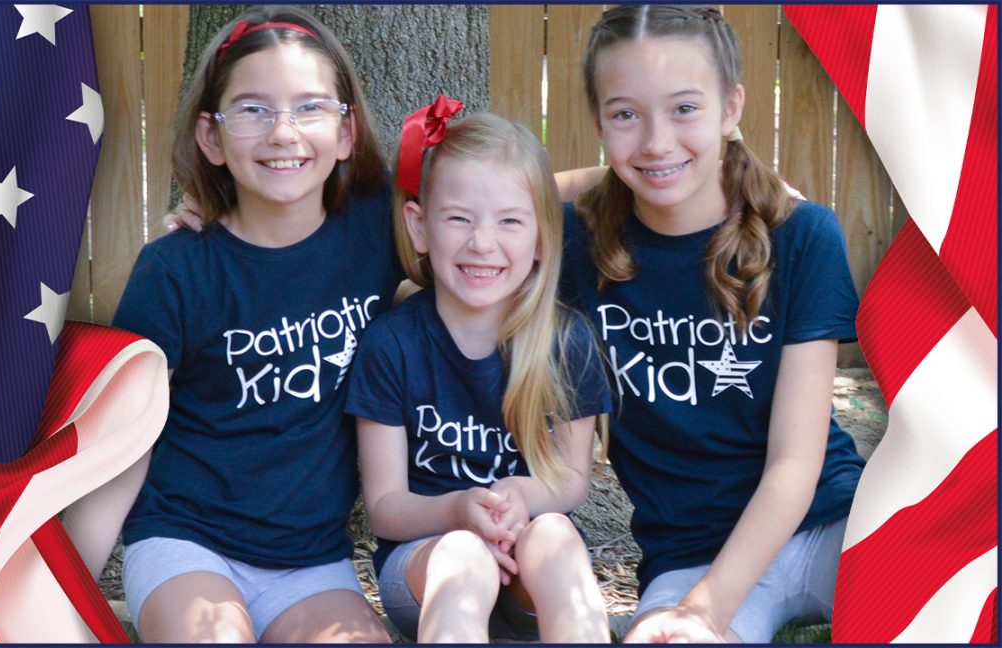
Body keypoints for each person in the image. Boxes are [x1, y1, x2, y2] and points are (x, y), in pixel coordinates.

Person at [558, 5, 866, 643]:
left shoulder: (801, 236)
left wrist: (708, 609)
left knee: (969, 588)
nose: (656, 141)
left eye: (684, 109)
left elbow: (794, 463)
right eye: (625, 115)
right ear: (598, 122)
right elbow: (484, 200)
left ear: (731, 108)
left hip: (827, 524)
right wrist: (693, 609)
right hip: (689, 552)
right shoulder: (575, 243)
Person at [109, 6, 399, 642]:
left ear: (346, 132)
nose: (283, 132)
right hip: (185, 542)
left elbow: (508, 198)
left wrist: (625, 177)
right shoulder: (176, 270)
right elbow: (120, 437)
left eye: (310, 107)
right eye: (253, 110)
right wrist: (69, 580)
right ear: (211, 138)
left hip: (312, 561)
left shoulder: (378, 227)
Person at [344, 108, 613, 643]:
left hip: (530, 565)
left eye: (510, 221)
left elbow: (571, 478)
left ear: (543, 237)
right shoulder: (391, 345)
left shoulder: (565, 343)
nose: (482, 242)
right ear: (419, 227)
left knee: (556, 536)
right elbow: (386, 508)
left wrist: (520, 496)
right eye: (459, 219)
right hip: (424, 565)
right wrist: (458, 510)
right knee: (464, 554)